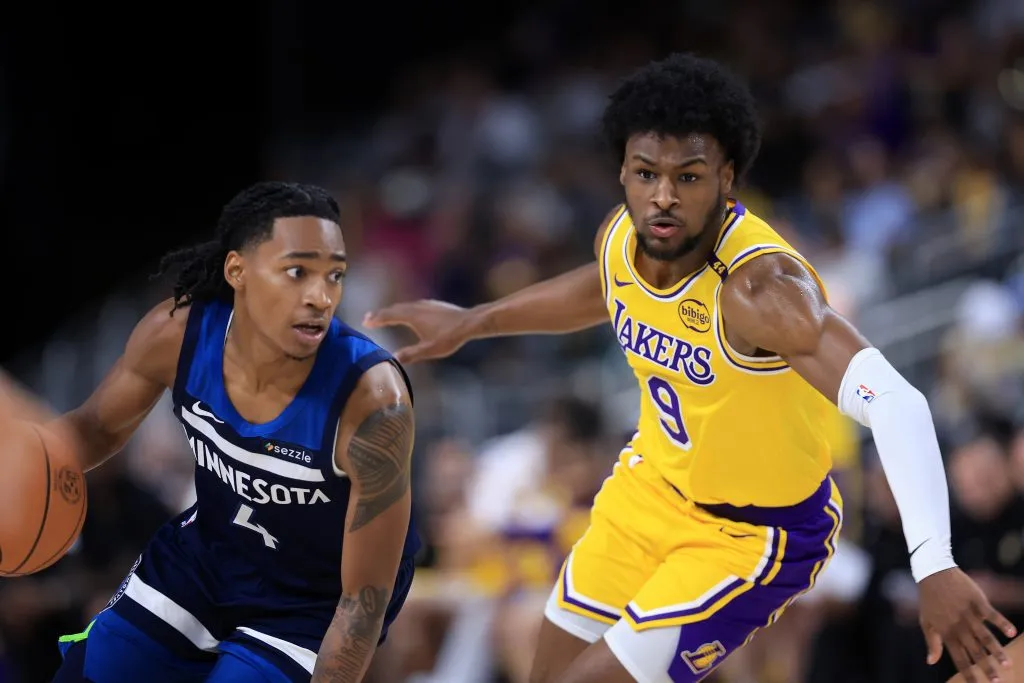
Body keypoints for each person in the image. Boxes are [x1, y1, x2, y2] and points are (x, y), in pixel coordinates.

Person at [364, 53, 1014, 683]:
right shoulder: (622, 235)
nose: (664, 196)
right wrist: (475, 319)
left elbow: (898, 403)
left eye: (689, 176)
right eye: (646, 174)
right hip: (649, 491)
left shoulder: (761, 289)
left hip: (754, 534)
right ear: (623, 171)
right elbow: (603, 287)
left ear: (727, 177)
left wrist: (934, 563)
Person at [7, 181, 420, 683]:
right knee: (89, 673)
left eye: (334, 275)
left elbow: (361, 603)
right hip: (208, 558)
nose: (320, 296)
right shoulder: (177, 334)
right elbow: (93, 428)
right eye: (297, 272)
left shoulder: (373, 403)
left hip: (314, 602)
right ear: (237, 272)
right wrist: (22, 479)